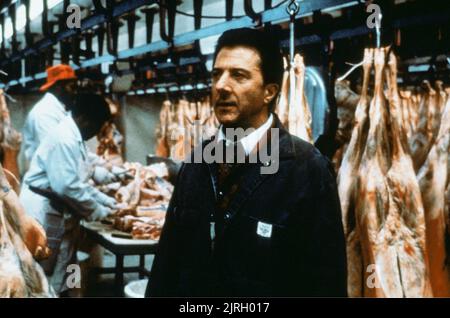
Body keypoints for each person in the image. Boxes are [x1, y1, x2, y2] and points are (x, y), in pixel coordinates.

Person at [146, 28, 347, 297]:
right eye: (217, 74)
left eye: (238, 75)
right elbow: (166, 267)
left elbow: (326, 284)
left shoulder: (307, 171)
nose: (221, 86)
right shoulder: (196, 163)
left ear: (269, 92)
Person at [19, 93, 118, 296]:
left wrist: (107, 202)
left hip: (57, 210)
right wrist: (98, 210)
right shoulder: (65, 138)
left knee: (64, 268)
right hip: (44, 211)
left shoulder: (74, 137)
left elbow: (78, 182)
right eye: (96, 126)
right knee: (43, 274)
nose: (95, 132)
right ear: (83, 118)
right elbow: (66, 186)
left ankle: (64, 294)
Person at [22, 64, 78, 166]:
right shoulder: (44, 113)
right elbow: (54, 152)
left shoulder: (59, 110)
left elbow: (75, 145)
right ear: (58, 87)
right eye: (72, 87)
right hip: (46, 177)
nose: (75, 92)